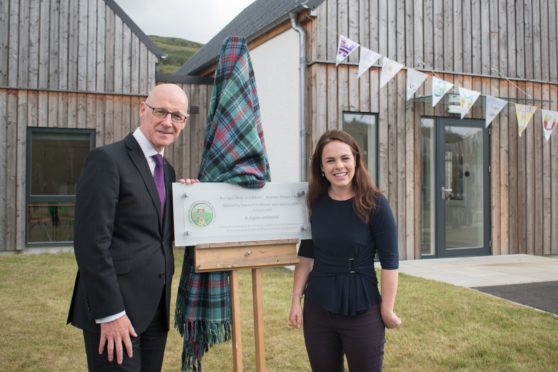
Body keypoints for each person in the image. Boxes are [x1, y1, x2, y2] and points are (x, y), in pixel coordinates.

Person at [67, 83, 195, 371]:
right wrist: (110, 313)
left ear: (185, 122)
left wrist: (192, 203)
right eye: (161, 111)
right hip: (115, 311)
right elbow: (91, 245)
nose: (167, 122)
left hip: (154, 311)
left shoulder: (168, 171)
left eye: (177, 116)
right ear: (142, 109)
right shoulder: (107, 160)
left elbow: (161, 235)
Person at [289, 129, 401, 372]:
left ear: (356, 160)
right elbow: (306, 257)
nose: (339, 166)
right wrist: (296, 301)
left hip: (362, 306)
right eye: (330, 160)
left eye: (345, 158)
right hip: (318, 308)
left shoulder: (375, 204)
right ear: (321, 167)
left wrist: (387, 309)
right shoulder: (315, 203)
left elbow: (390, 263)